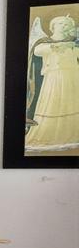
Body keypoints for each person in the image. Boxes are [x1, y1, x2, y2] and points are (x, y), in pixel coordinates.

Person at [26, 13, 79, 154]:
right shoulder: (44, 42)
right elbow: (37, 51)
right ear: (53, 26)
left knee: (72, 103)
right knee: (53, 103)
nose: (64, 26)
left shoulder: (73, 42)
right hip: (54, 77)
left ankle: (72, 135)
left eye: (66, 24)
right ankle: (48, 136)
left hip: (73, 77)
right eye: (61, 23)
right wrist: (58, 46)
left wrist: (72, 46)